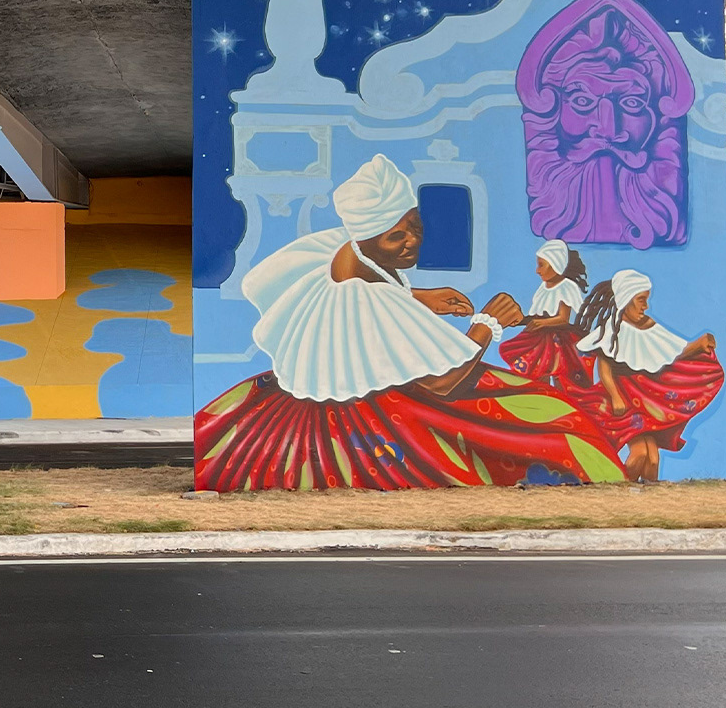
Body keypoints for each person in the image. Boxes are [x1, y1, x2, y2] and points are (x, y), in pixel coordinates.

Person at [195, 155, 626, 491]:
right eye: (396, 237)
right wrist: (487, 324)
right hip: (373, 418)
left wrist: (418, 296)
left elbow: (373, 286)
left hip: (339, 390)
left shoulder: (341, 250)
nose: (412, 242)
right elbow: (442, 383)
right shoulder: (365, 297)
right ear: (367, 238)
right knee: (551, 427)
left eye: (415, 227)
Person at [570, 270, 724, 482]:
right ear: (626, 299)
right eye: (640, 300)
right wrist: (615, 396)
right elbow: (604, 368)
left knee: (652, 459)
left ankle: (647, 496)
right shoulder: (611, 330)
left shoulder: (650, 326)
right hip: (623, 399)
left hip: (645, 398)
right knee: (640, 454)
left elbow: (672, 353)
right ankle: (621, 491)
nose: (645, 306)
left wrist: (698, 345)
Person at [497, 239, 590, 388]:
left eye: (541, 265)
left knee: (562, 375)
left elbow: (563, 319)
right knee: (538, 373)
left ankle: (562, 398)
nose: (537, 270)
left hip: (560, 341)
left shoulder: (567, 287)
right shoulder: (543, 288)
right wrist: (521, 320)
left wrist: (540, 323)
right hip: (541, 338)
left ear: (555, 264)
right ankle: (543, 395)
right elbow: (539, 314)